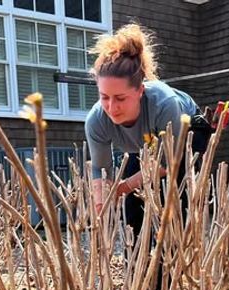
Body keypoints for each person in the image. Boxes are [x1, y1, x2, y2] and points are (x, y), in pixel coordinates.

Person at [85, 23, 208, 238]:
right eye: (104, 97)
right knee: (133, 209)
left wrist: (121, 188)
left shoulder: (165, 103)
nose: (111, 108)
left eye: (121, 98)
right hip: (145, 143)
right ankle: (137, 269)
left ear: (140, 90)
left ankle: (173, 266)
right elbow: (100, 169)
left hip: (184, 135)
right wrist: (101, 199)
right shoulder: (97, 120)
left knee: (176, 206)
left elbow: (167, 163)